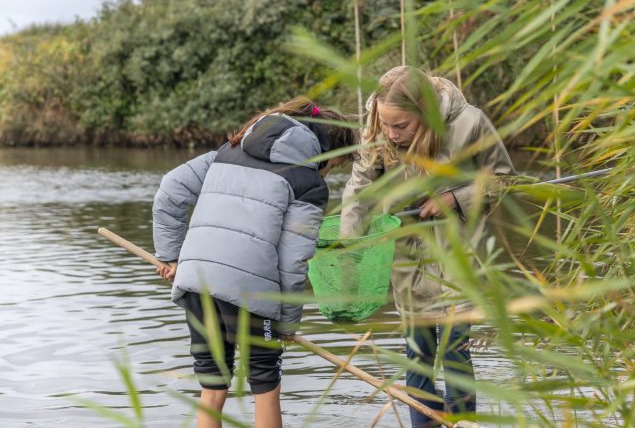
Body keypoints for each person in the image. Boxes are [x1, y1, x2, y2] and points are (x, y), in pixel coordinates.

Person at [152, 98, 356, 428]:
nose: (328, 171)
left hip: (195, 279)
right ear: (326, 152)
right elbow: (294, 259)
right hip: (251, 293)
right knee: (265, 385)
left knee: (212, 386)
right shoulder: (307, 183)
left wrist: (171, 256)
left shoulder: (226, 152)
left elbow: (169, 191)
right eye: (334, 165)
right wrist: (287, 323)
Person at [340, 66, 515, 428]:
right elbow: (357, 192)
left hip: (460, 262)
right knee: (416, 358)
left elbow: (503, 180)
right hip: (407, 261)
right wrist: (348, 245)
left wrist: (456, 198)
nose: (391, 134)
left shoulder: (471, 123)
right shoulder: (377, 129)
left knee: (455, 356)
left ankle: (463, 423)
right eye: (386, 124)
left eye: (401, 126)